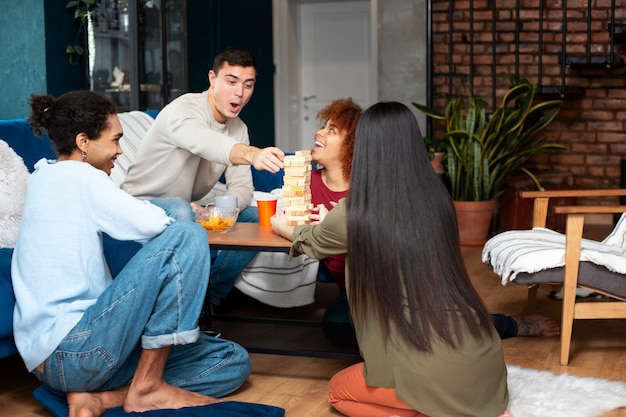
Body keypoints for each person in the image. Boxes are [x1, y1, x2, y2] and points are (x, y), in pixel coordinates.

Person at [12, 90, 251, 416]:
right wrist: (191, 214)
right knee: (187, 234)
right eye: (114, 140)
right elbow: (150, 224)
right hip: (78, 350)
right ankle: (148, 386)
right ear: (84, 141)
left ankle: (100, 398)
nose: (120, 151)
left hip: (53, 364)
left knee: (230, 359)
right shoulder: (83, 176)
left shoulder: (42, 176)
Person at [271, 101, 512, 416]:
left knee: (338, 393)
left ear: (365, 149)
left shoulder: (356, 212)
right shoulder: (439, 202)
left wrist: (283, 226)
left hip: (431, 367)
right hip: (486, 365)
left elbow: (311, 240)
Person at [121, 46, 285, 306]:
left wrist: (217, 211)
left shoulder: (238, 128)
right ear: (212, 79)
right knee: (180, 208)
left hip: (184, 211)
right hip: (142, 204)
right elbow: (205, 142)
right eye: (231, 82)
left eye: (248, 85)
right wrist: (252, 154)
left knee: (254, 217)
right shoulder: (183, 110)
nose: (239, 93)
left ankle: (209, 299)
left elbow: (242, 187)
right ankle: (193, 305)